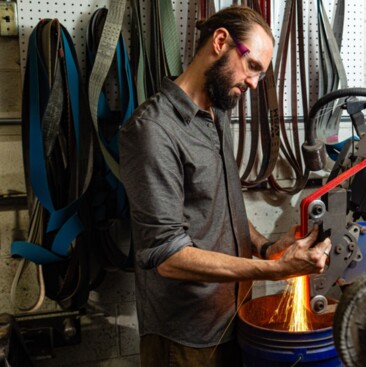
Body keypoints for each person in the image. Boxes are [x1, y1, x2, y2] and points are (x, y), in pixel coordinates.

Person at [119, 5, 332, 367]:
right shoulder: (153, 130)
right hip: (186, 339)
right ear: (220, 42)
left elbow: (220, 207)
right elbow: (169, 258)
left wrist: (267, 248)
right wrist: (278, 272)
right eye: (252, 67)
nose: (253, 83)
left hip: (233, 320)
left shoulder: (217, 114)